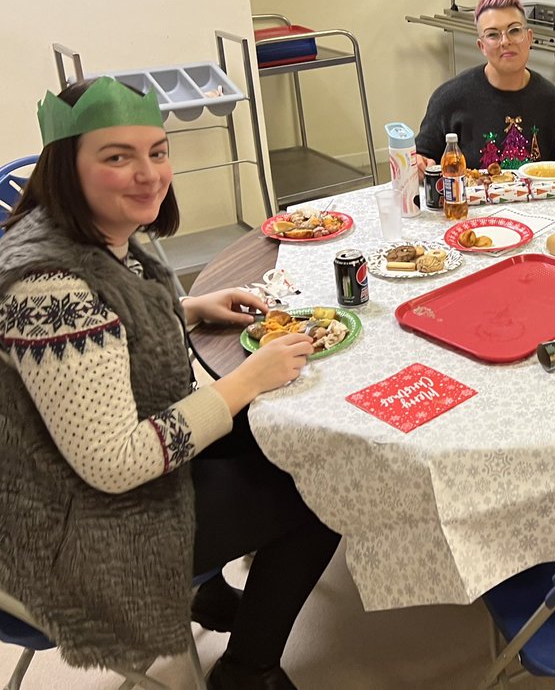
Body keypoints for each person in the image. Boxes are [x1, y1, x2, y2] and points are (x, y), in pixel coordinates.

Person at [0, 77, 341, 690]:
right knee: (321, 490)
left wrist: (191, 308)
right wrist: (244, 382)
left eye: (157, 152)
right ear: (63, 167)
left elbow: (107, 338)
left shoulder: (99, 233)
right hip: (71, 531)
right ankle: (248, 671)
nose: (149, 174)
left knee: (301, 438)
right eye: (116, 157)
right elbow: (116, 461)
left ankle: (209, 596)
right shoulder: (49, 287)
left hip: (86, 483)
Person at [415, 0, 555, 173]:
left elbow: (554, 164)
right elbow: (422, 159)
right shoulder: (449, 99)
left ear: (529, 38)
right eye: (493, 35)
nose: (505, 42)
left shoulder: (549, 98)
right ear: (481, 46)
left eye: (514, 30)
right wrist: (420, 165)